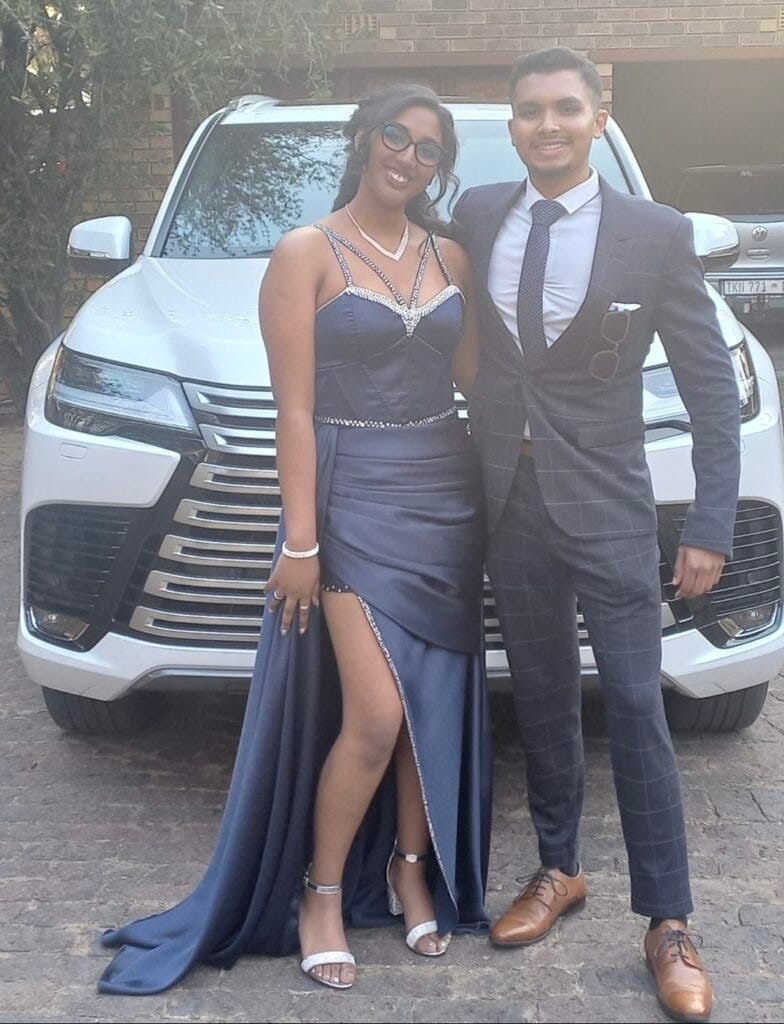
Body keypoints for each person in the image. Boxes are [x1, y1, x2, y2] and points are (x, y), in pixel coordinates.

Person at [97, 84, 491, 996]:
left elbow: (476, 379)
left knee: (427, 705)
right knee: (376, 713)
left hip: (445, 492)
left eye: (428, 148)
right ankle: (321, 893)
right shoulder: (304, 252)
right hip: (352, 498)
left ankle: (409, 871)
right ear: (363, 139)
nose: (408, 156)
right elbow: (295, 411)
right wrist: (302, 541)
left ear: (439, 168)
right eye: (395, 135)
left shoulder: (453, 259)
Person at [454, 47, 740, 1023]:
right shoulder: (478, 215)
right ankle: (558, 868)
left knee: (634, 705)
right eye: (531, 109)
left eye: (566, 108)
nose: (549, 125)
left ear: (597, 119)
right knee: (540, 696)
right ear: (511, 124)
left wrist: (708, 524)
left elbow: (709, 390)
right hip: (510, 502)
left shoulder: (653, 233)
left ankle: (668, 919)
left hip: (612, 505)